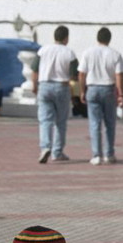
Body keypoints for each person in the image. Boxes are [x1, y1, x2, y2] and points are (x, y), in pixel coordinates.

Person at [78, 27, 123, 166]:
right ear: (109, 39)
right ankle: (109, 154)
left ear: (97, 38)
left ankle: (96, 155)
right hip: (108, 88)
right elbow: (119, 75)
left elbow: (81, 74)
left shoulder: (88, 53)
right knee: (110, 123)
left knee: (95, 123)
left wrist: (82, 90)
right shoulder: (115, 54)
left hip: (92, 88)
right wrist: (120, 94)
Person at [32, 26, 77, 164]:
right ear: (66, 38)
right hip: (61, 86)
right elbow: (74, 73)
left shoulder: (43, 50)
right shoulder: (69, 53)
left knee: (45, 120)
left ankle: (45, 147)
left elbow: (34, 69)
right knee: (60, 122)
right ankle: (57, 152)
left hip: (44, 85)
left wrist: (34, 85)